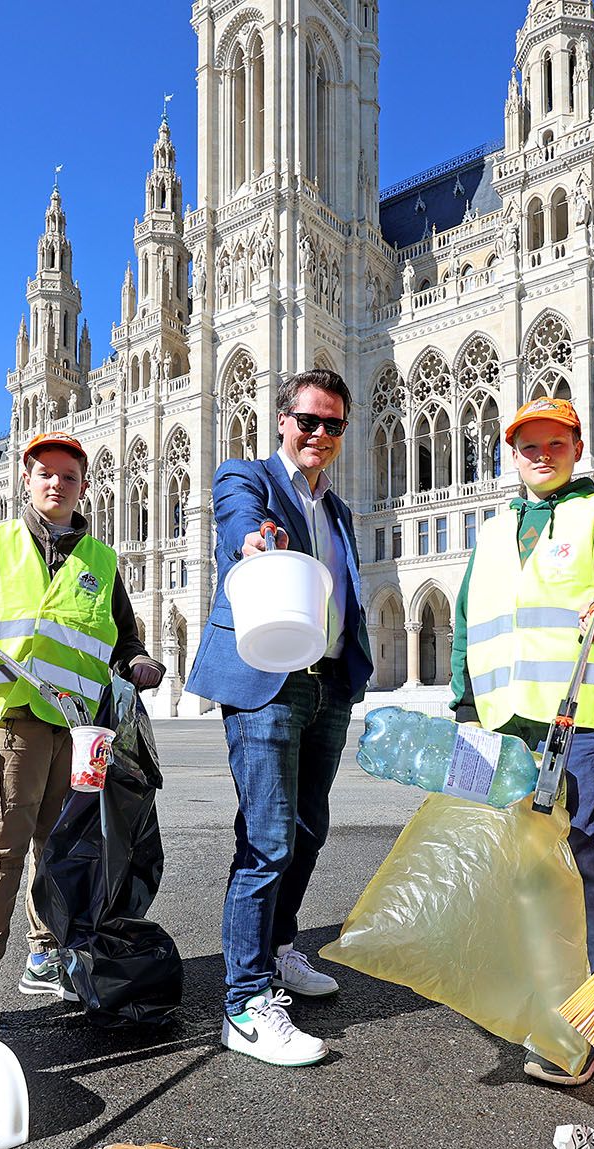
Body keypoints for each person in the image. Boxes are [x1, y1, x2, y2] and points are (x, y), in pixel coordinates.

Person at [450, 397, 594, 1085]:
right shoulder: (491, 532)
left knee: (588, 855)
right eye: (527, 445)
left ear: (576, 445)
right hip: (506, 723)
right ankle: (545, 989)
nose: (541, 454)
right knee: (526, 864)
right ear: (511, 454)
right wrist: (464, 706)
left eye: (555, 443)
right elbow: (468, 625)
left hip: (581, 721)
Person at [0, 431, 165, 1027]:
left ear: (85, 486)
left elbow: (123, 637)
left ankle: (46, 954)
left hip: (75, 726)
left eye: (69, 475)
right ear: (26, 481)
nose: (57, 483)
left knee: (58, 849)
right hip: (10, 716)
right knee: (1, 846)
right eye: (45, 474)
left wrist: (137, 663)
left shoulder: (102, 561)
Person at [187, 367, 373, 1067]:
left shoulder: (340, 510)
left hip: (325, 682)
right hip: (266, 680)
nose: (319, 435)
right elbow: (239, 520)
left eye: (333, 425)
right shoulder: (248, 478)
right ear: (282, 421)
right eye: (308, 421)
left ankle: (279, 947)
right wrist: (253, 543)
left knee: (306, 828)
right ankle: (244, 1001)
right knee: (266, 838)